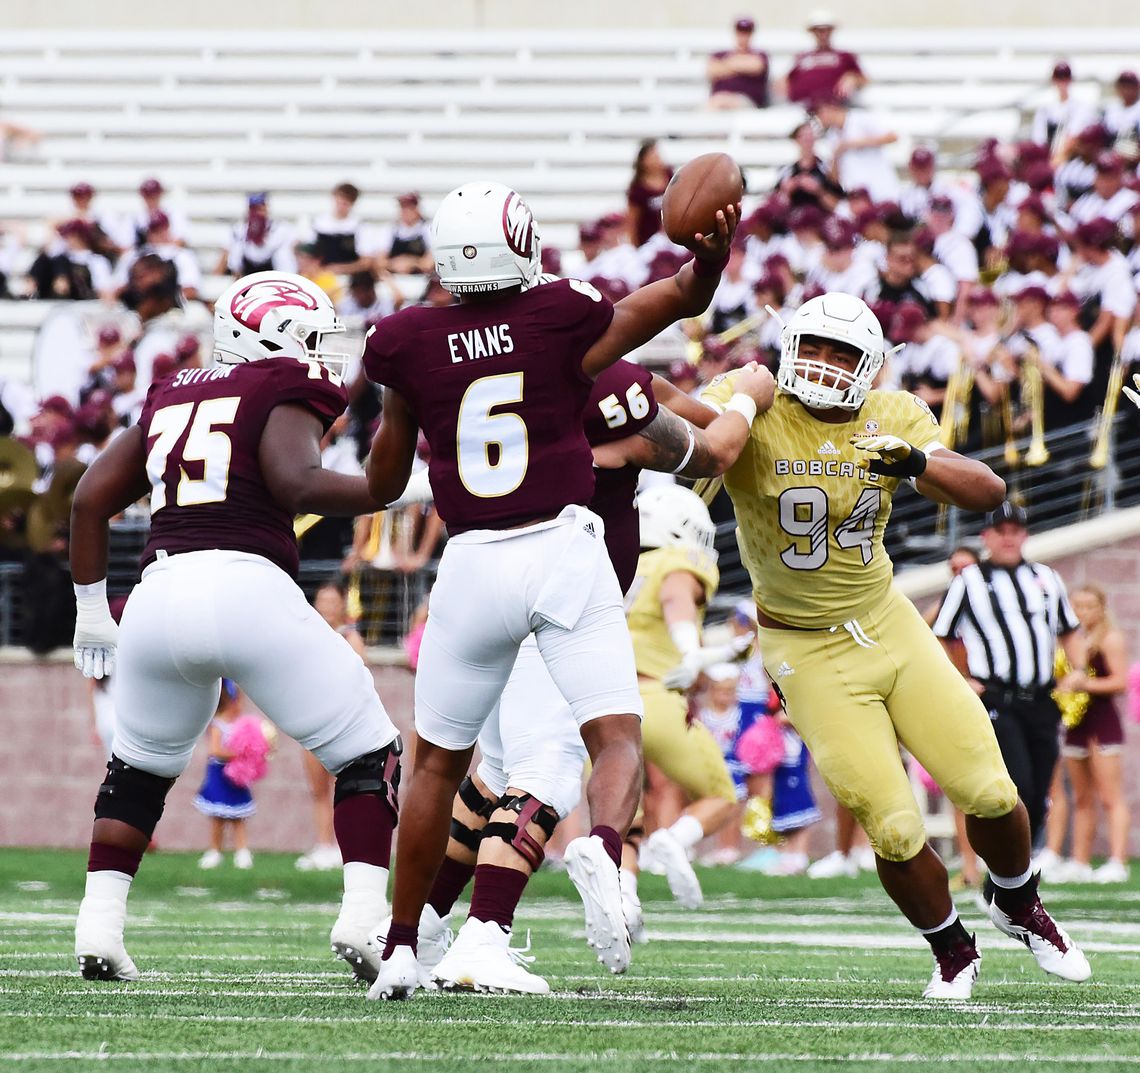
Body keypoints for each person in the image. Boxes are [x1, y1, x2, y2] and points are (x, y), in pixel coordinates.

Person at [359, 179, 743, 999]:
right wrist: (708, 259)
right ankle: (602, 843)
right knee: (612, 735)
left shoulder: (402, 339)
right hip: (561, 550)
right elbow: (673, 300)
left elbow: (386, 476)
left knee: (436, 766)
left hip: (468, 561)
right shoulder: (563, 317)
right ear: (522, 243)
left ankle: (399, 946)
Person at [702, 292, 1090, 999]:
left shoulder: (896, 411)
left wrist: (915, 461)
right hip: (804, 644)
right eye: (812, 346)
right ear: (788, 348)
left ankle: (1017, 898)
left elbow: (986, 490)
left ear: (871, 366)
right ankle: (951, 948)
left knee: (991, 789)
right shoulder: (751, 398)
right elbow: (691, 448)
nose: (822, 364)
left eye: (841, 353)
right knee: (895, 824)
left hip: (888, 618)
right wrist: (740, 402)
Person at [393, 356, 775, 994]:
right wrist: (751, 396)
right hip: (556, 596)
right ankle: (485, 934)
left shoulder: (489, 378)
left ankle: (422, 928)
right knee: (549, 765)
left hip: (474, 579)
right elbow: (716, 448)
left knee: (490, 773)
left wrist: (702, 396)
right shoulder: (607, 398)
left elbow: (677, 405)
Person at [70, 271, 403, 984]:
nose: (320, 352)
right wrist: (384, 489)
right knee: (369, 751)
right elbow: (296, 482)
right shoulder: (279, 385)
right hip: (247, 585)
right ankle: (364, 914)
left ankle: (97, 926)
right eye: (310, 336)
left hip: (156, 597)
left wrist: (92, 607)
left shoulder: (172, 391)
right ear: (273, 337)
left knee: (137, 770)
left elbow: (90, 497)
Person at [933, 501, 1085, 858]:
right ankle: (1005, 872)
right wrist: (961, 679)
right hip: (998, 697)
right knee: (1017, 785)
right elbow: (939, 635)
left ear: (1025, 535)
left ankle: (1014, 874)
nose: (1009, 538)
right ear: (986, 536)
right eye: (1001, 531)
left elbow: (1071, 630)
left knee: (1037, 794)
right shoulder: (969, 580)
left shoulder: (1046, 577)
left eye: (1015, 531)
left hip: (1042, 698)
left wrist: (1077, 670)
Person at [1054, 585, 1131, 883]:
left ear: (1101, 608)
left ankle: (1117, 860)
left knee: (1111, 796)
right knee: (1082, 797)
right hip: (1076, 723)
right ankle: (1080, 860)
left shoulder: (1108, 639)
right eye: (1077, 606)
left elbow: (1120, 682)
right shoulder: (1070, 642)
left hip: (1102, 722)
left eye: (1088, 606)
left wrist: (1083, 684)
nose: (1082, 612)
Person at [295, 581, 368, 873]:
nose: (326, 606)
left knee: (344, 788)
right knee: (318, 789)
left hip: (341, 722)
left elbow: (358, 676)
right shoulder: (308, 636)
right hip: (312, 719)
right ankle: (324, 844)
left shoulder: (350, 637)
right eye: (321, 600)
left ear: (342, 604)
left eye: (331, 600)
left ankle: (344, 846)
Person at [194, 681, 261, 870]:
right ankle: (215, 851)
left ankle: (242, 852)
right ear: (230, 702)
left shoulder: (239, 725)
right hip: (220, 775)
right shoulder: (217, 725)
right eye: (239, 701)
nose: (241, 706)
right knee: (218, 817)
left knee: (238, 818)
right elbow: (215, 750)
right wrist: (240, 753)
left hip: (237, 778)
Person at [814, 96, 899, 204]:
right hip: (857, 195)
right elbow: (835, 178)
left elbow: (892, 137)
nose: (819, 118)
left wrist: (854, 143)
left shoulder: (859, 118)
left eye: (819, 112)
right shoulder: (831, 136)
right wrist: (836, 155)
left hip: (881, 190)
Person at [784, 10, 866, 106]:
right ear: (813, 32)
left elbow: (864, 79)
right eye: (818, 30)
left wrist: (852, 78)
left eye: (826, 29)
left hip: (833, 107)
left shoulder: (844, 56)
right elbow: (787, 79)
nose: (823, 34)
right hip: (801, 105)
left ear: (832, 31)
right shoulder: (802, 57)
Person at [219, 193, 296, 278]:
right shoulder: (238, 231)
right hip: (246, 281)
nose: (257, 214)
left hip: (275, 281)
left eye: (260, 209)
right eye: (254, 209)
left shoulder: (281, 230)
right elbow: (229, 264)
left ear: (266, 209)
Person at [706, 17, 769, 110]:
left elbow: (756, 66)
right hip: (719, 100)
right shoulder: (719, 54)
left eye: (746, 32)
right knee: (713, 105)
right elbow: (712, 70)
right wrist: (740, 66)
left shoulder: (760, 54)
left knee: (724, 102)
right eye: (740, 32)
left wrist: (725, 65)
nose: (743, 36)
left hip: (746, 103)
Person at [626, 140, 674, 248]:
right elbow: (632, 222)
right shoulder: (637, 190)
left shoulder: (670, 176)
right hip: (648, 244)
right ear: (643, 161)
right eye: (652, 156)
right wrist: (635, 247)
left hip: (672, 240)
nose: (657, 159)